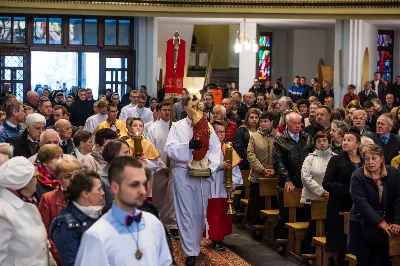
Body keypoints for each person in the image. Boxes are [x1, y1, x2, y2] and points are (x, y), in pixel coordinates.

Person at [75, 157, 173, 265]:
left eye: (144, 184)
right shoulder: (97, 236)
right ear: (115, 187)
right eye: (134, 185)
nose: (142, 191)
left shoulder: (153, 223)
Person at [164, 97, 221, 266]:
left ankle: (194, 245)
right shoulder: (177, 126)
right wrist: (187, 146)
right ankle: (189, 252)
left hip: (202, 175)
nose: (197, 108)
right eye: (193, 106)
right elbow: (169, 149)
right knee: (186, 212)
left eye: (199, 106)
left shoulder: (207, 127)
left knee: (199, 212)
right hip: (183, 172)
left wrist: (210, 168)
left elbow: (216, 150)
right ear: (186, 108)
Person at [348, 144, 400, 266]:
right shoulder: (357, 175)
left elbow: (398, 198)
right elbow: (362, 203)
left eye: (374, 158)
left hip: (385, 227)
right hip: (363, 226)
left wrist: (396, 221)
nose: (370, 162)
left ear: (381, 158)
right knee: (366, 261)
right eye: (367, 158)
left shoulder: (393, 173)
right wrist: (380, 222)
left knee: (383, 260)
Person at [272, 112, 313, 253]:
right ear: (287, 124)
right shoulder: (280, 140)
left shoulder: (307, 137)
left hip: (305, 182)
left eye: (299, 123)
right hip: (287, 181)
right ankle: (281, 241)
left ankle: (302, 244)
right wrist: (287, 179)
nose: (298, 125)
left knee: (304, 213)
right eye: (295, 123)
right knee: (284, 213)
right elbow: (278, 162)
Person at [323, 129, 362, 266]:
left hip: (357, 205)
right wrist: (348, 189)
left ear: (358, 144)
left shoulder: (363, 160)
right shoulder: (336, 159)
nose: (345, 142)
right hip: (338, 203)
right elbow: (326, 183)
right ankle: (336, 262)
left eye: (349, 140)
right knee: (337, 237)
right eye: (344, 140)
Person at [0, 157, 49, 265]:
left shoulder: (30, 206)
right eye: (35, 177)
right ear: (24, 182)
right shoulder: (3, 213)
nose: (37, 181)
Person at [51, 170, 104, 266]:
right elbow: (72, 263)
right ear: (85, 194)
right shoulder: (66, 225)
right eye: (99, 189)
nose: (102, 193)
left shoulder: (96, 215)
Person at [146, 100, 180, 239]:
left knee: (172, 198)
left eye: (169, 110)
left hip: (175, 167)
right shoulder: (153, 128)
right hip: (159, 168)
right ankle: (157, 223)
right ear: (159, 112)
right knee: (159, 198)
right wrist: (162, 165)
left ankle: (172, 225)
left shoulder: (176, 127)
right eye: (164, 110)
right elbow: (151, 149)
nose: (167, 112)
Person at [38, 156, 81, 266]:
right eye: (67, 177)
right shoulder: (48, 199)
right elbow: (44, 234)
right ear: (58, 179)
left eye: (77, 175)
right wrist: (63, 255)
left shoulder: (89, 195)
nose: (73, 180)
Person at [207, 120, 243, 250]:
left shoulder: (229, 149)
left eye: (223, 132)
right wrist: (219, 166)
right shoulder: (208, 149)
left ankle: (220, 237)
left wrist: (232, 184)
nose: (221, 135)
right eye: (218, 132)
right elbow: (206, 166)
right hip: (212, 185)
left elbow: (235, 169)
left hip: (224, 187)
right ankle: (215, 239)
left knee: (223, 213)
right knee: (214, 213)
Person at [300, 132, 334, 254]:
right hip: (312, 199)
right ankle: (308, 252)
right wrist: (321, 192)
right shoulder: (309, 158)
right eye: (319, 141)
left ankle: (326, 254)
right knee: (314, 226)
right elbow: (306, 178)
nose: (322, 143)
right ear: (315, 143)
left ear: (329, 141)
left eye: (324, 140)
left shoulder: (334, 157)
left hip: (330, 199)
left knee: (329, 227)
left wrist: (330, 192)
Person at [247, 112, 276, 229]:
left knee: (272, 203)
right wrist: (262, 169)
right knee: (256, 203)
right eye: (262, 121)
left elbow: (279, 156)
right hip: (257, 176)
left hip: (273, 176)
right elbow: (250, 155)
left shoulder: (277, 137)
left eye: (266, 121)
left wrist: (273, 170)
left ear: (272, 122)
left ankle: (270, 228)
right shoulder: (254, 136)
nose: (263, 124)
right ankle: (256, 227)